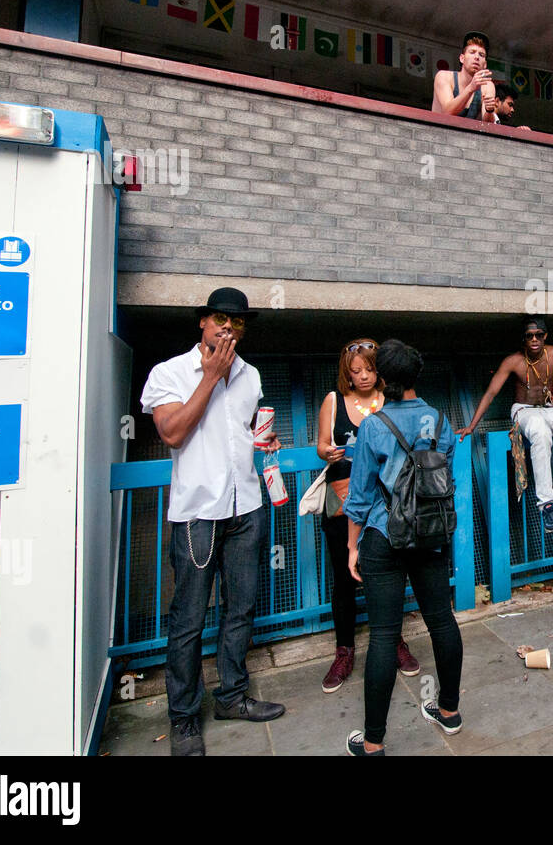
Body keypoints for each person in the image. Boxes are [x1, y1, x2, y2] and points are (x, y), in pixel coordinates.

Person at [140, 287, 286, 756]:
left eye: (239, 322)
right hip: (197, 515)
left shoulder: (251, 375)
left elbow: (241, 433)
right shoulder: (169, 372)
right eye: (221, 319)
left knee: (240, 609)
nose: (229, 327)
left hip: (247, 506)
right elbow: (173, 433)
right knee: (187, 621)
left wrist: (262, 442)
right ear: (202, 322)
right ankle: (183, 719)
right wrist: (210, 377)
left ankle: (232, 697)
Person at [344, 340, 463, 757]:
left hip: (384, 534)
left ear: (383, 378)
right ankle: (449, 711)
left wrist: (352, 547)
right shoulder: (439, 418)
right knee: (442, 621)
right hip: (430, 534)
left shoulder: (373, 426)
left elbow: (359, 496)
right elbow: (440, 471)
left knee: (382, 636)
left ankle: (373, 742)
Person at [316, 338, 420, 693]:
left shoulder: (390, 401)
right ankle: (344, 651)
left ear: (380, 370)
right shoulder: (333, 401)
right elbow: (320, 446)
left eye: (369, 369)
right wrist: (328, 452)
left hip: (383, 505)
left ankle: (393, 642)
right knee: (343, 581)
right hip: (342, 501)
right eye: (355, 371)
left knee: (387, 574)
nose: (362, 377)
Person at [458, 317, 553, 532]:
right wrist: (471, 426)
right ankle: (548, 506)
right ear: (524, 339)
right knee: (541, 434)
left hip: (550, 409)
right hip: (524, 410)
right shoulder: (513, 361)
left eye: (538, 335)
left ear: (545, 336)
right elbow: (491, 393)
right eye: (529, 336)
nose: (534, 339)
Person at [431, 31, 496, 121]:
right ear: (462, 58)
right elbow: (448, 111)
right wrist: (470, 88)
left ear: (485, 64)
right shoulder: (444, 77)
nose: (477, 57)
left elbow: (488, 124)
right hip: (436, 133)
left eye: (481, 55)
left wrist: (489, 110)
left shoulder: (487, 85)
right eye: (472, 52)